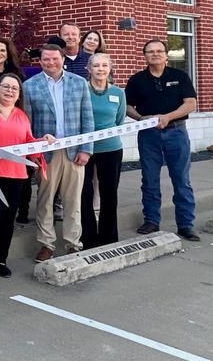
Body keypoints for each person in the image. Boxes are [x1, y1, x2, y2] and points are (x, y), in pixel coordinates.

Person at [22, 43, 94, 261]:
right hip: (46, 154)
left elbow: (87, 118)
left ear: (63, 59)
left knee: (73, 201)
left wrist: (86, 150)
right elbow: (28, 122)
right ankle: (47, 244)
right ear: (40, 61)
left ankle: (73, 243)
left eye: (55, 59)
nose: (50, 63)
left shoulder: (80, 83)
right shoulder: (29, 86)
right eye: (46, 59)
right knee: (45, 201)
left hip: (74, 151)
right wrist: (34, 152)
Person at [125, 39, 199, 240]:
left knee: (181, 179)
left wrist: (168, 117)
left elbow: (191, 103)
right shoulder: (137, 80)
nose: (155, 54)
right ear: (145, 56)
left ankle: (185, 224)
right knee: (149, 179)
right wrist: (141, 118)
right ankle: (151, 221)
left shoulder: (179, 76)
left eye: (159, 51)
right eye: (150, 51)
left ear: (166, 55)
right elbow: (127, 106)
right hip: (149, 135)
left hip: (176, 133)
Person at [0, 73, 51, 277]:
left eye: (14, 88)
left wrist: (42, 140)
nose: (10, 91)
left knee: (7, 220)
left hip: (16, 175)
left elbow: (29, 141)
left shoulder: (22, 116)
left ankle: (0, 259)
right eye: (6, 87)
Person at [82, 53, 127, 248]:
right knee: (84, 193)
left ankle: (109, 237)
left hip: (111, 148)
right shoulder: (82, 90)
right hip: (84, 149)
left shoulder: (118, 93)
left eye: (104, 66)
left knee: (109, 194)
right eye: (96, 66)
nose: (100, 69)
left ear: (110, 69)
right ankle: (88, 238)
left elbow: (119, 120)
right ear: (89, 69)